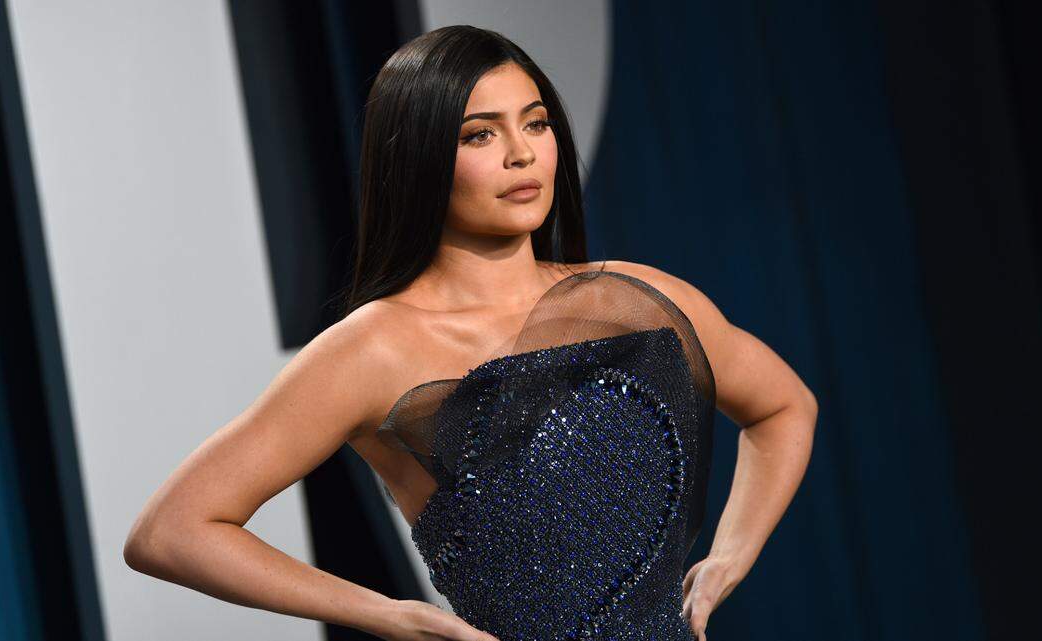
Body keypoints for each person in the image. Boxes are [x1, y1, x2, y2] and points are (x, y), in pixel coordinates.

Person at [124, 25, 816, 641]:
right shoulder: (375, 348)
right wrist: (392, 614)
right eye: (478, 134)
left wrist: (728, 558)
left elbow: (785, 406)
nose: (522, 154)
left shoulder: (642, 297)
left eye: (536, 123)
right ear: (418, 156)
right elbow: (170, 530)